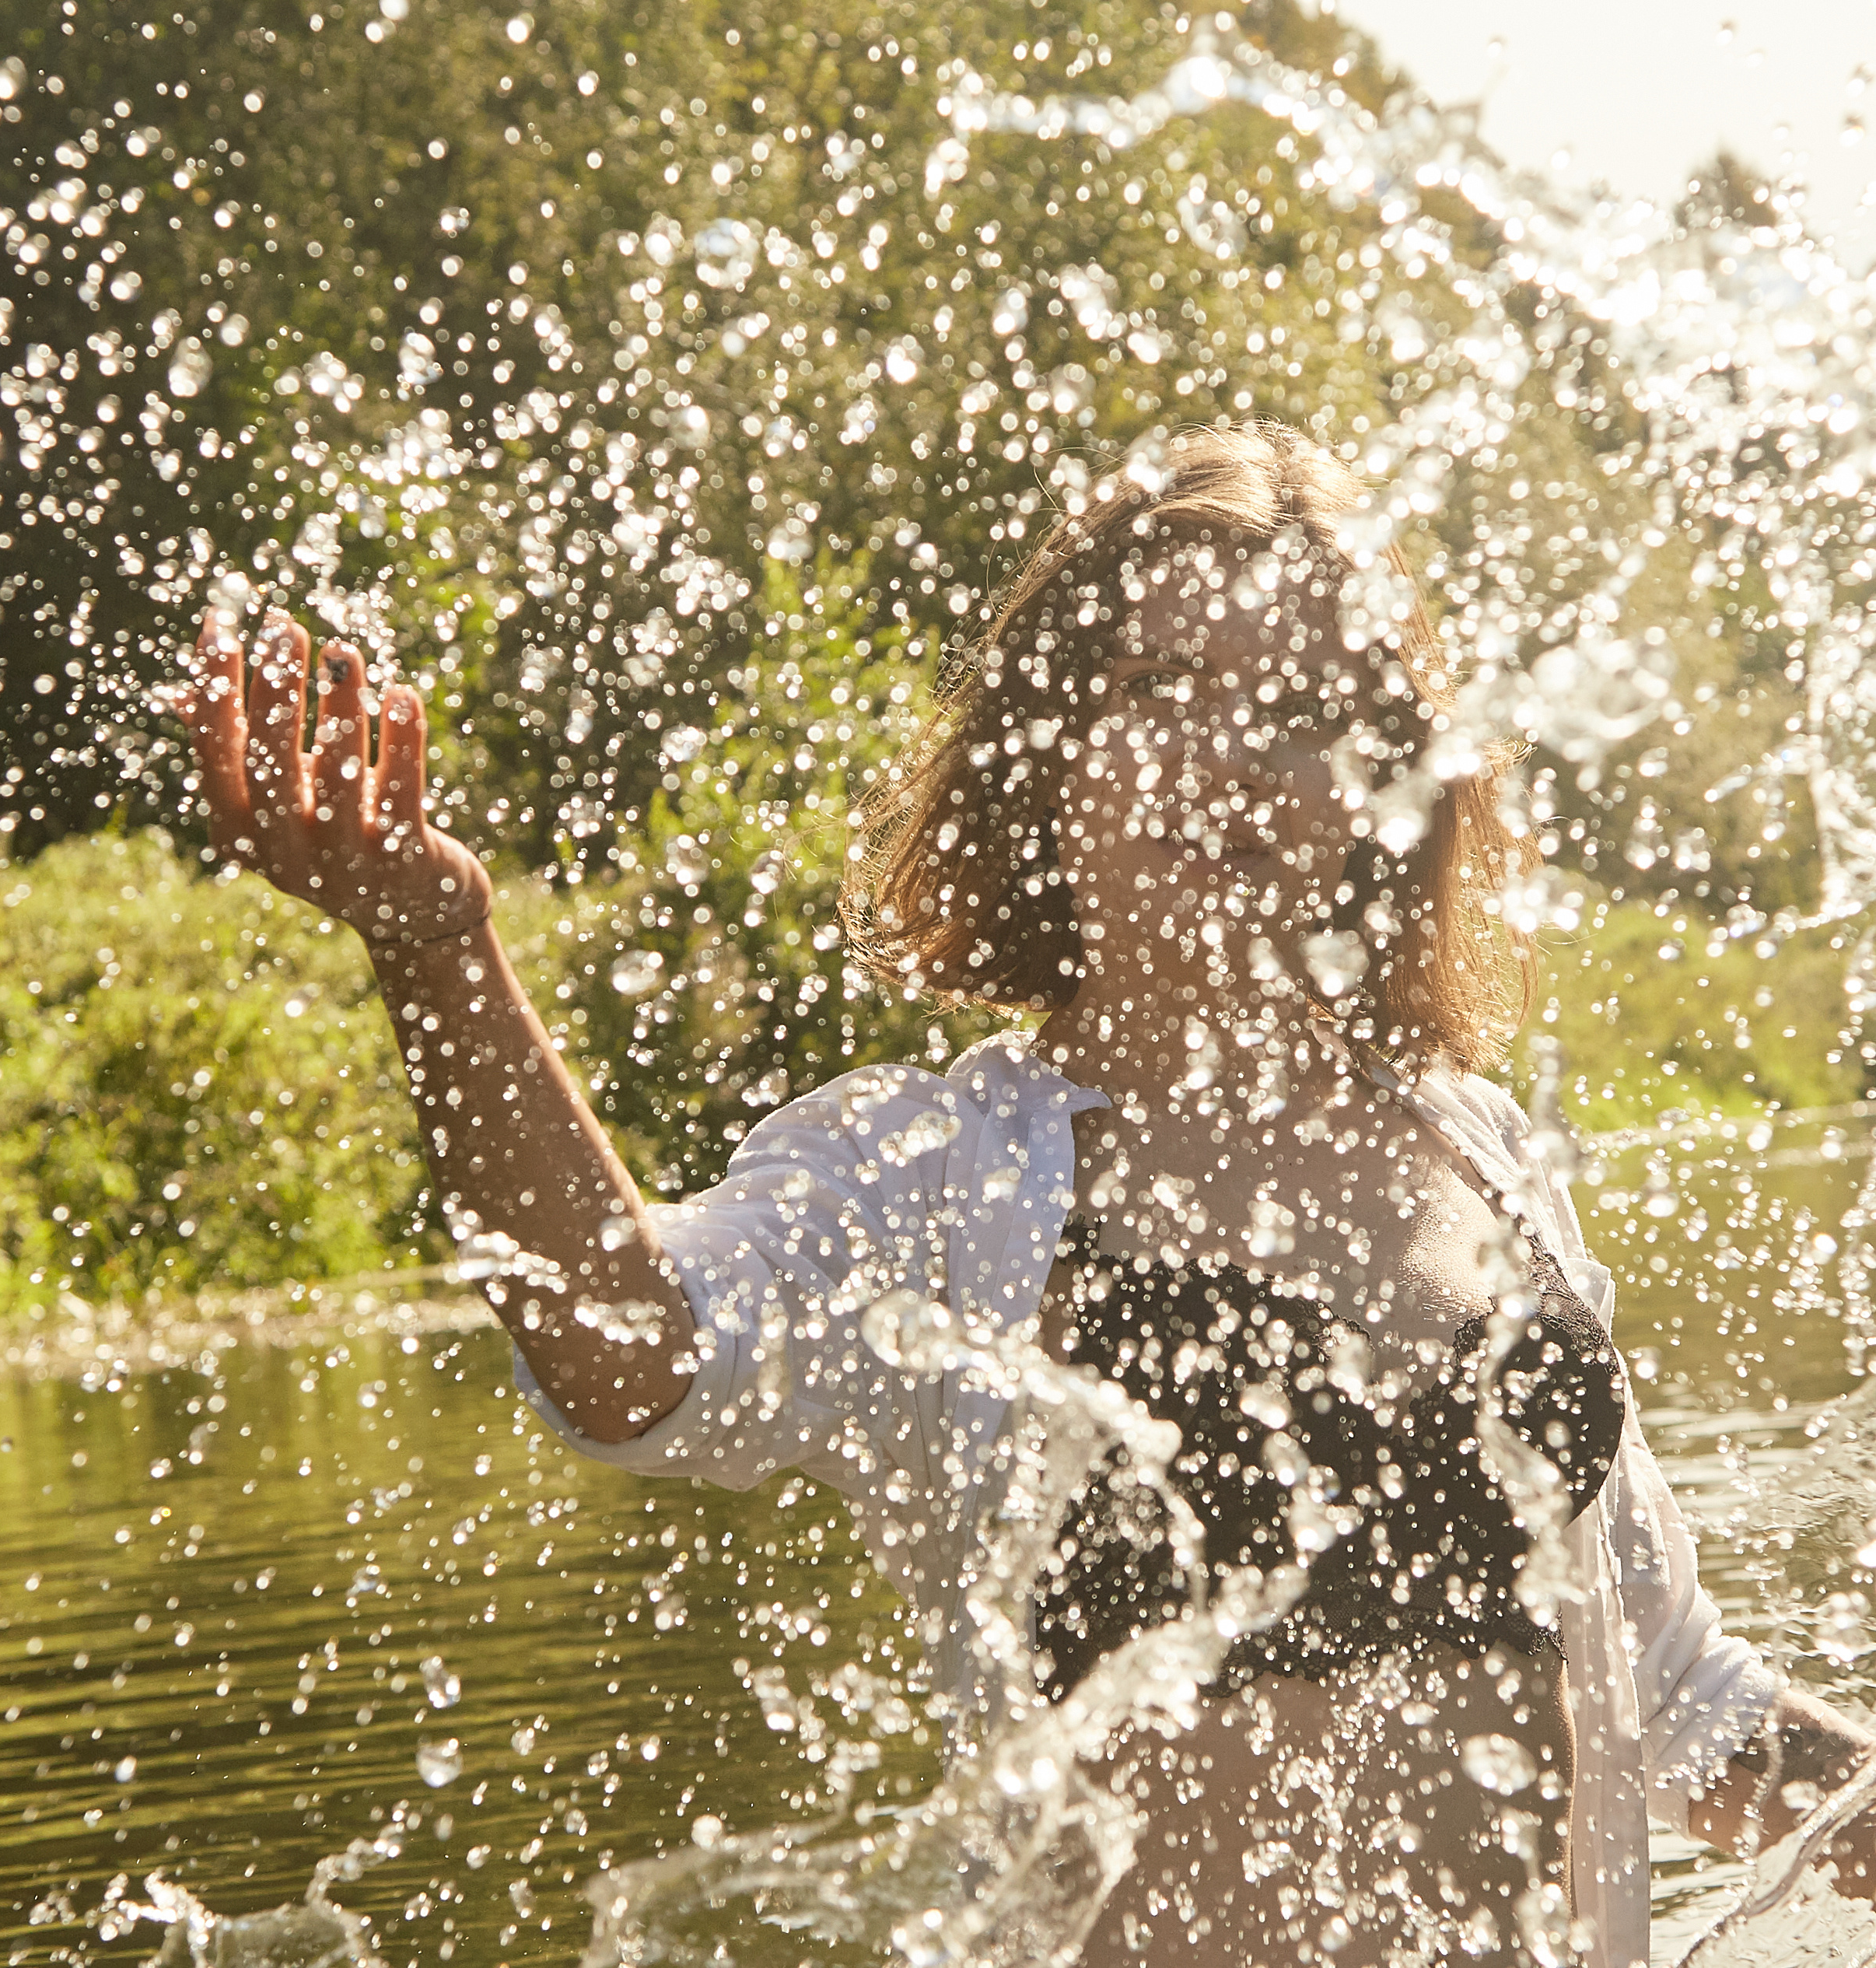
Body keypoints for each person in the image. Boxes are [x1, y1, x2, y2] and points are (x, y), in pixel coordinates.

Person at [180, 421, 1873, 1964]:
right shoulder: (934, 1173)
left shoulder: (1481, 1152)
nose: (1229, 761)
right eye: (1165, 690)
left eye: (1296, 717)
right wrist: (439, 948)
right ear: (1050, 742)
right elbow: (631, 1355)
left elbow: (1675, 1699)